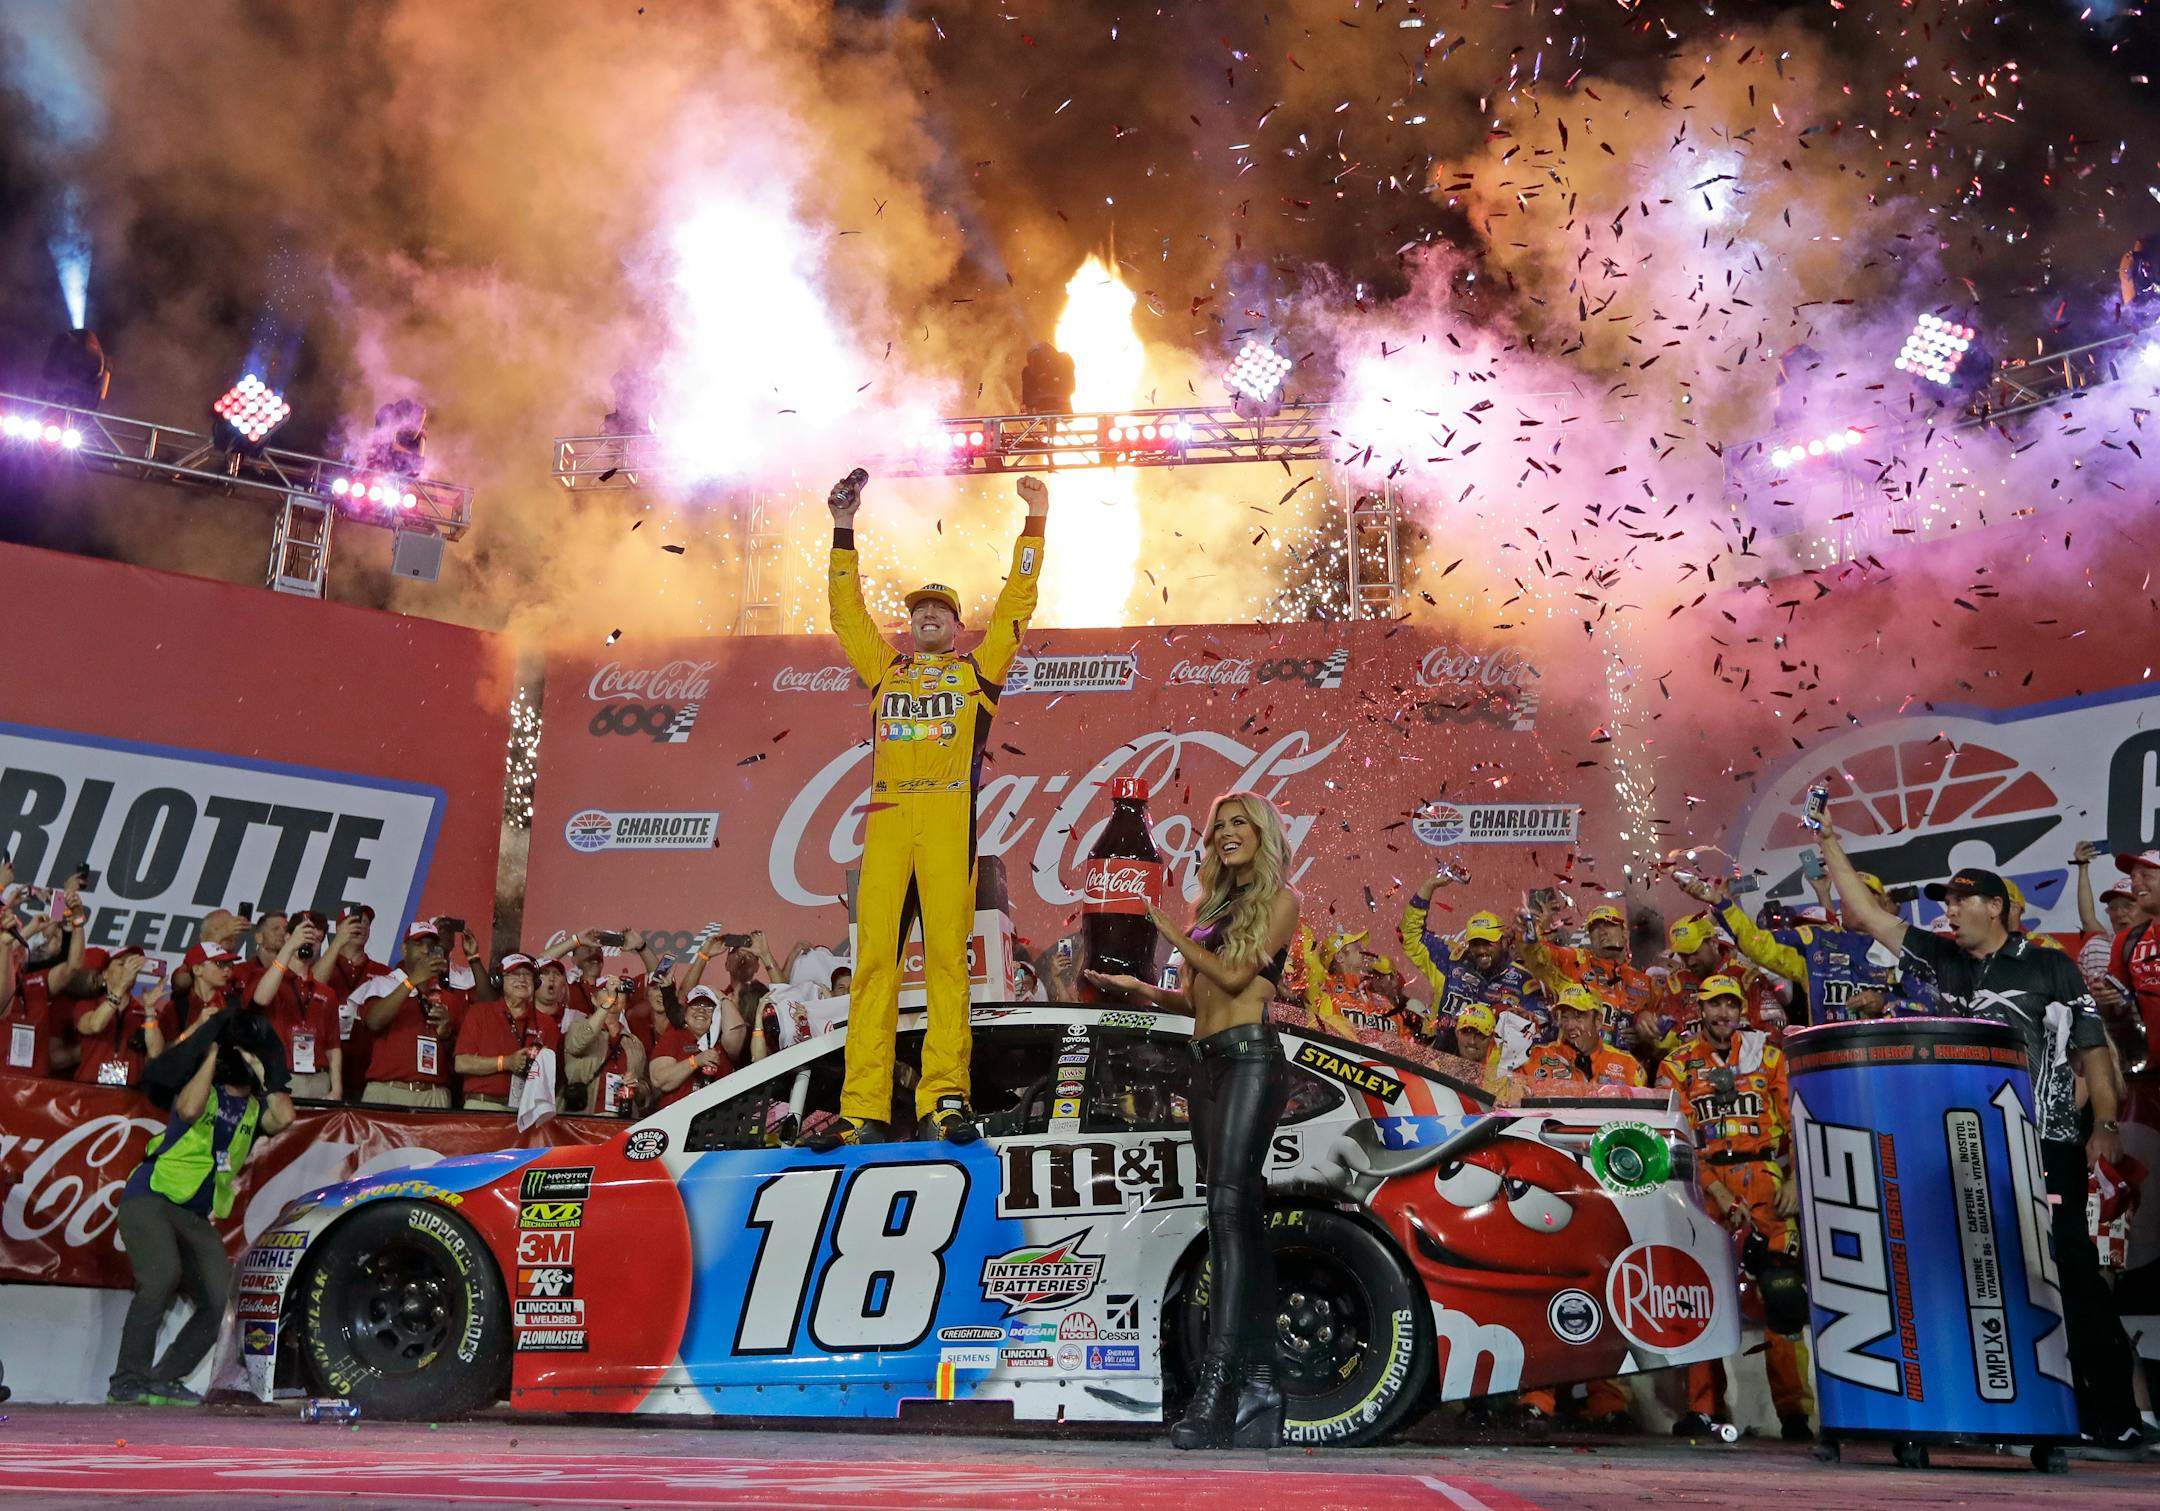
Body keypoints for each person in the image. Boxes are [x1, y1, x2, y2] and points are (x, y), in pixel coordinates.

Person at [1822, 818, 2149, 1449]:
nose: (1947, 911)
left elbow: (2095, 1058)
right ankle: (1997, 1413)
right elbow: (1867, 915)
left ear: (1995, 906)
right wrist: (1830, 841)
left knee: (2072, 1274)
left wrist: (2104, 1125)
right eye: (1943, 901)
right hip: (1966, 1148)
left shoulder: (2051, 967)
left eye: (1959, 899)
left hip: (2045, 1142)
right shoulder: (1941, 957)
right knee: (1972, 1274)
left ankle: (2116, 1416)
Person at [817, 467, 1049, 1146]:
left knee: (949, 964)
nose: (928, 616)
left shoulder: (978, 674)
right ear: (911, 621)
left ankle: (943, 1099)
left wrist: (1035, 522)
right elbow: (844, 612)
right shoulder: (883, 670)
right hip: (889, 823)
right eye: (919, 608)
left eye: (940, 610)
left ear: (955, 625)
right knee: (873, 968)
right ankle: (862, 1109)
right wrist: (842, 528)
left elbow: (1018, 604)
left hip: (948, 824)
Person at [1083, 790, 1301, 1450]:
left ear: (1262, 836)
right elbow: (1201, 998)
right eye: (1219, 825)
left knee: (1231, 1212)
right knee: (1235, 1217)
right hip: (1205, 1062)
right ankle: (1262, 1387)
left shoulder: (1281, 900)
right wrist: (1146, 992)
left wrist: (1168, 931)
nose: (1226, 832)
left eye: (1239, 823)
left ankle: (1216, 1392)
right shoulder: (1215, 906)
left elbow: (1235, 979)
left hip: (1250, 1062)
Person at [109, 953, 294, 1405]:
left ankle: (163, 1378)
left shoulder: (254, 1108)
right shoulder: (205, 1092)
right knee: (161, 1278)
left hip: (193, 1212)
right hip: (151, 1197)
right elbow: (188, 1110)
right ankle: (126, 1382)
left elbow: (284, 1116)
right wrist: (214, 1048)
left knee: (218, 1297)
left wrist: (266, 1067)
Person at [1655, 974, 1813, 1441]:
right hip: (1704, 1190)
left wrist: (1797, 1180)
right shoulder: (1677, 1065)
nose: (1723, 1013)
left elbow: (1799, 1120)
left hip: (1766, 1183)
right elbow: (1675, 1138)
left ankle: (1794, 1415)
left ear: (1741, 1009)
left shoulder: (1768, 1056)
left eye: (1731, 1004)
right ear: (1699, 1010)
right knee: (1701, 1296)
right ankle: (1704, 1409)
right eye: (1714, 1005)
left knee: (1782, 1297)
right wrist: (1715, 1191)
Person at [1511, 982, 1645, 1433]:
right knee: (1545, 1286)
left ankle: (1608, 1401)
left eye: (1580, 1016)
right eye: (1565, 1015)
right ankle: (1537, 1399)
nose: (1571, 1024)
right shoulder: (1540, 1058)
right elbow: (1511, 1102)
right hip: (1554, 1185)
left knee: (1613, 1289)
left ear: (1598, 1021)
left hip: (1611, 1192)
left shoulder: (1626, 1066)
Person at [1679, 871, 1897, 1028]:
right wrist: (1720, 903)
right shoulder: (1817, 943)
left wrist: (1884, 1003)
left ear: (1884, 904)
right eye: (1850, 896)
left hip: (1893, 1059)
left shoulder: (1906, 947)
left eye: (1864, 895)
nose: (1856, 902)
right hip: (1833, 1062)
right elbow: (1757, 943)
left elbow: (1926, 1004)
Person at [1397, 876, 1539, 1047]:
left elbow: (1540, 1033)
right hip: (1440, 1063)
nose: (1480, 950)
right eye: (1475, 943)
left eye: (1488, 943)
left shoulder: (1523, 980)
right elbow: (1410, 935)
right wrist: (1429, 886)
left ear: (1503, 942)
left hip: (1493, 1069)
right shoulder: (1451, 961)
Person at [349, 923, 469, 1109]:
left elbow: (459, 1058)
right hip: (389, 1090)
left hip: (435, 1093)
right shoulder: (382, 984)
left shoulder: (448, 998)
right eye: (419, 943)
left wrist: (446, 1034)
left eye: (431, 945)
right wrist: (412, 981)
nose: (426, 949)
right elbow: (374, 1022)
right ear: (404, 949)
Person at [1522, 898, 1660, 1052]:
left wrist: (1645, 1037)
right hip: (1577, 1063)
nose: (1602, 932)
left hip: (1626, 1068)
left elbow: (1667, 1037)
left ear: (1624, 932)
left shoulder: (1646, 983)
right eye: (1594, 928)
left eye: (1609, 924)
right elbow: (1536, 953)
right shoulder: (1575, 961)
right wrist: (1534, 927)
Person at [233, 913, 341, 1101]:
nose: (310, 944)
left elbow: (333, 1046)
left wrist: (337, 1087)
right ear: (288, 937)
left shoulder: (327, 992)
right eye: (305, 937)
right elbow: (261, 998)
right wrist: (290, 947)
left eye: (316, 940)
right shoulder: (262, 976)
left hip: (318, 1079)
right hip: (281, 1076)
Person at [455, 955, 559, 1112]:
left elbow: (549, 1077)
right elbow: (461, 1063)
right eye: (514, 974)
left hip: (526, 1110)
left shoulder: (547, 1024)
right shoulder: (479, 1012)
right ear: (499, 980)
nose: (522, 979)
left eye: (527, 975)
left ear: (535, 981)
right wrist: (505, 1063)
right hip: (484, 1106)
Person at [563, 977, 647, 1116]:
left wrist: (636, 1086)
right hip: (584, 1121)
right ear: (594, 999)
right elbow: (577, 1044)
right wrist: (607, 1003)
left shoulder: (634, 1042)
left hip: (622, 1122)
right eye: (605, 989)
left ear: (625, 1001)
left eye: (618, 990)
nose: (613, 993)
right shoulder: (577, 1027)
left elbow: (645, 1091)